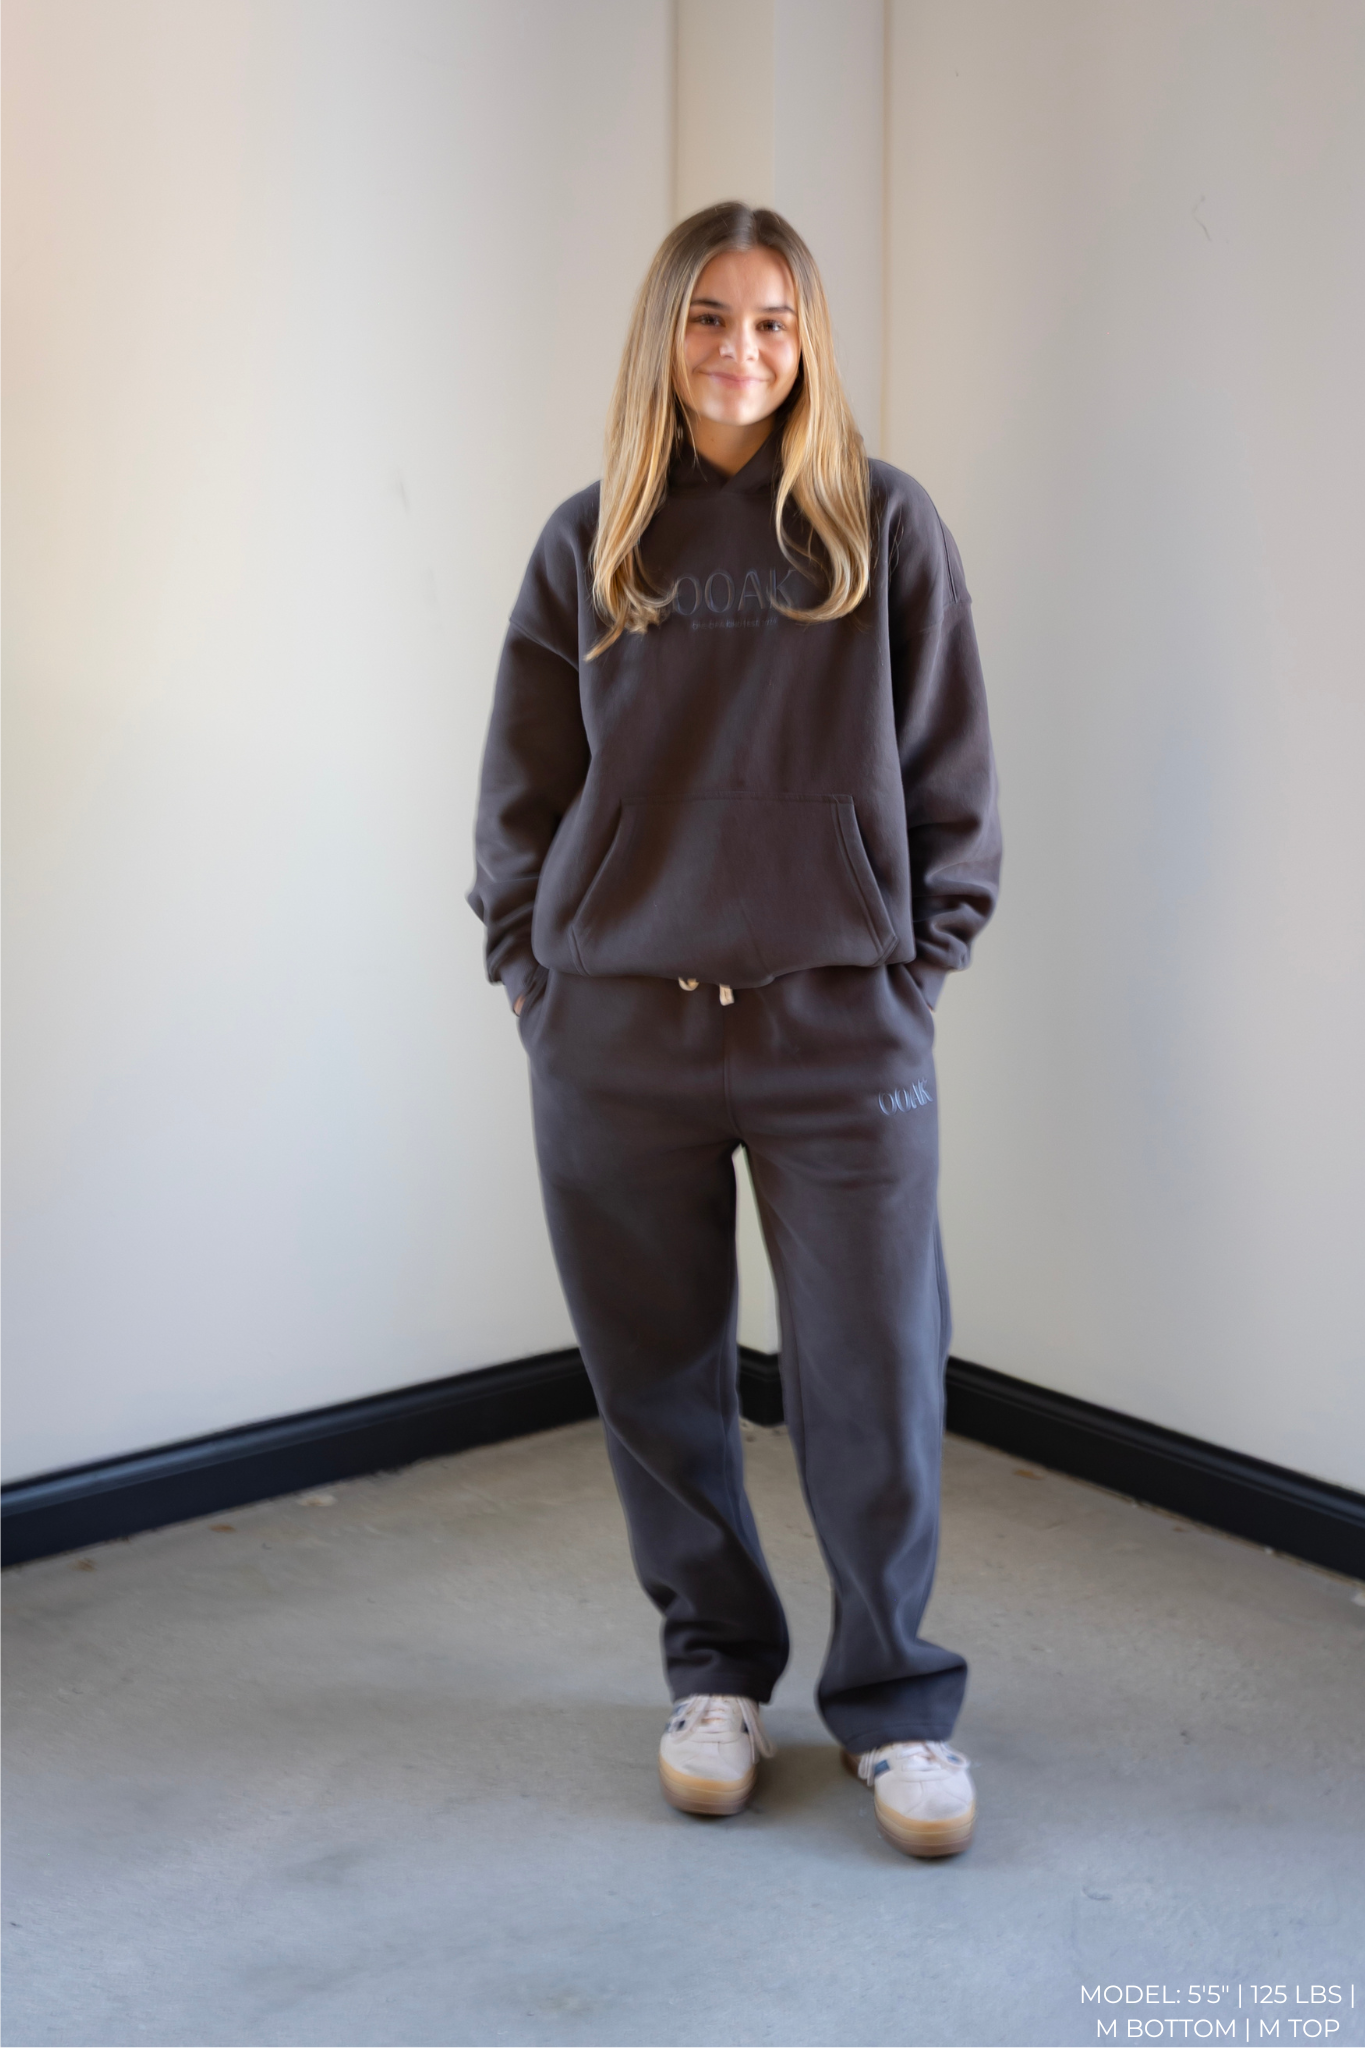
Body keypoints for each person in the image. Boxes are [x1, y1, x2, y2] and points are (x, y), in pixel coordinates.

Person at [467, 201, 1001, 1860]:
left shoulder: (878, 529)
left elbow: (950, 782)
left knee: (872, 1378)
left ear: (809, 340)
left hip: (841, 1032)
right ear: (665, 337)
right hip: (618, 1031)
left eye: (773, 322)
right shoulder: (594, 542)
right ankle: (713, 1675)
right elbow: (524, 795)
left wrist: (914, 967)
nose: (741, 352)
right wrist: (534, 974)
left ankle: (898, 1704)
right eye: (710, 319)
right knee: (659, 1385)